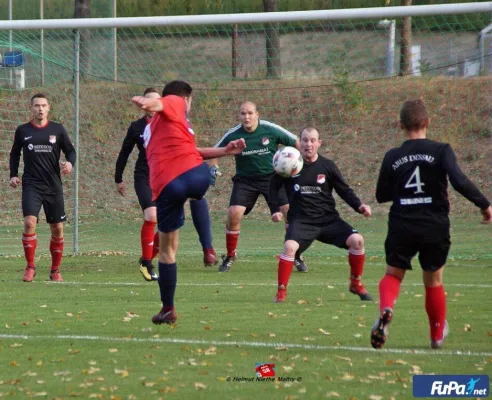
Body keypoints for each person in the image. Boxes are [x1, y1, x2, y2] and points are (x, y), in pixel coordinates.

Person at [370, 99, 492, 350]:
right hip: (434, 225)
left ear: (400, 125)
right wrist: (484, 204)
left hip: (402, 224)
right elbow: (458, 181)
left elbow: (381, 195)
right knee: (434, 281)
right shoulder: (441, 150)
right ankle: (436, 336)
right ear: (427, 123)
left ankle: (386, 309)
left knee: (393, 273)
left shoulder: (393, 156)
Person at [131, 80, 246, 325]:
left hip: (167, 186)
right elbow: (164, 102)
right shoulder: (177, 102)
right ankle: (208, 248)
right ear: (188, 99)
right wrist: (147, 102)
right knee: (197, 193)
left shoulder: (158, 128)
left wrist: (225, 150)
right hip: (195, 175)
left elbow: (192, 149)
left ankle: (168, 308)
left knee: (167, 251)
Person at [115, 87, 218, 282]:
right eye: (149, 101)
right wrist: (118, 178)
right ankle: (146, 263)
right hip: (145, 176)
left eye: (156, 100)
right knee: (152, 215)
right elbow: (124, 153)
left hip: (169, 176)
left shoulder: (173, 122)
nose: (153, 105)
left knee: (170, 227)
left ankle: (153, 257)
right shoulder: (137, 127)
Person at [269, 127, 373, 303]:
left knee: (358, 241)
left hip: (328, 220)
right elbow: (272, 187)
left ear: (319, 143)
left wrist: (359, 206)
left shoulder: (327, 166)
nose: (308, 144)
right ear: (299, 142)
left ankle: (355, 283)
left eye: (312, 140)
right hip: (301, 221)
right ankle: (281, 292)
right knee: (289, 247)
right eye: (304, 140)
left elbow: (344, 189)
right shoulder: (290, 164)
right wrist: (275, 210)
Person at [213, 101, 308, 273]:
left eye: (250, 113)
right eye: (243, 113)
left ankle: (296, 254)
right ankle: (230, 255)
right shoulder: (234, 133)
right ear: (239, 115)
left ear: (258, 114)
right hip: (245, 179)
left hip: (273, 177)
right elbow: (214, 152)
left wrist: (299, 163)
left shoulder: (269, 129)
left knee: (288, 210)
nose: (247, 117)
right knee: (234, 213)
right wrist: (214, 167)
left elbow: (296, 142)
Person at [9, 93, 76, 283]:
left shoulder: (58, 129)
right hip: (31, 184)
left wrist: (70, 164)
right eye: (36, 105)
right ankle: (30, 267)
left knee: (57, 227)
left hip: (53, 185)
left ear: (49, 108)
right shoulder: (23, 130)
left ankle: (55, 270)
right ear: (31, 108)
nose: (40, 109)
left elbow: (70, 151)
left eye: (43, 105)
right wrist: (13, 174)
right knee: (30, 222)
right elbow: (14, 154)